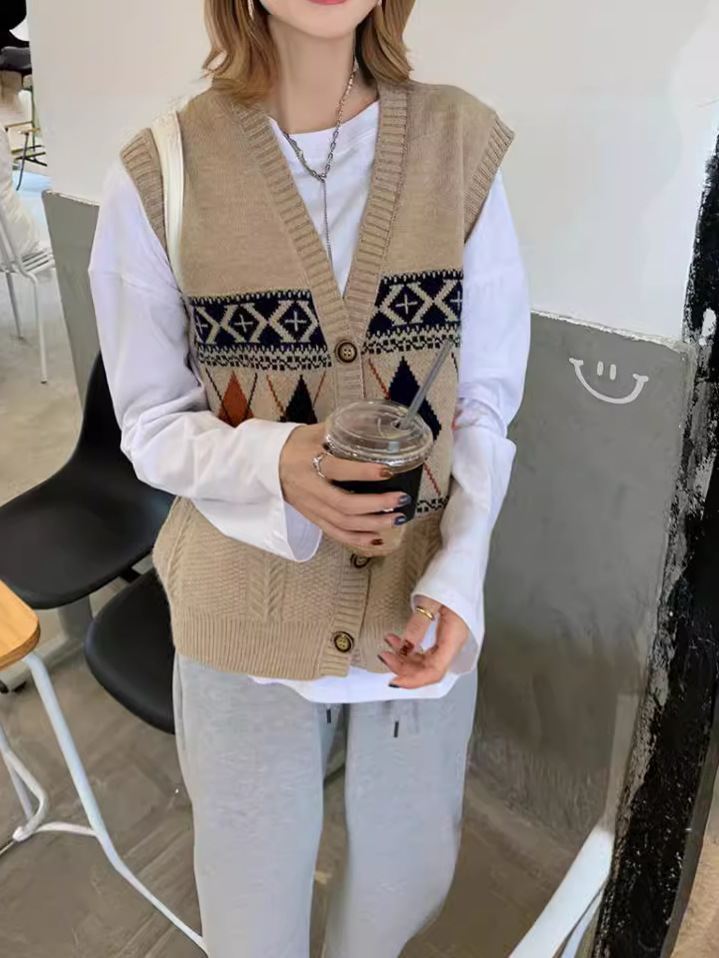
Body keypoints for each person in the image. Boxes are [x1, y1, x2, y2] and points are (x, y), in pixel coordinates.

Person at [89, 1, 530, 955]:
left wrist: (460, 572)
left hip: (417, 611)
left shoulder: (459, 143)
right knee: (251, 913)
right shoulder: (162, 170)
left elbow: (483, 404)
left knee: (406, 884)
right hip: (240, 613)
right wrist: (276, 460)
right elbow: (150, 426)